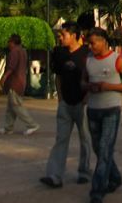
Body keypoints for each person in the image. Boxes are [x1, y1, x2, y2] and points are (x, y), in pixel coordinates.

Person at [84, 28, 122, 203]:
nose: (91, 46)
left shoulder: (117, 60)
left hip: (111, 110)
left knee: (105, 148)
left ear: (104, 41)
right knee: (99, 149)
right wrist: (89, 87)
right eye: (89, 43)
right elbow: (83, 81)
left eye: (94, 43)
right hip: (92, 110)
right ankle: (115, 177)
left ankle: (97, 190)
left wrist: (108, 86)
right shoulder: (88, 60)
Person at [40, 22, 91, 188]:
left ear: (75, 36)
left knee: (86, 139)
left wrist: (87, 98)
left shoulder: (87, 54)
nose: (60, 38)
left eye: (64, 35)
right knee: (60, 139)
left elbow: (93, 77)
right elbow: (58, 76)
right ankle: (54, 175)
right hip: (65, 104)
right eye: (60, 35)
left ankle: (84, 172)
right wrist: (60, 98)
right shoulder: (60, 53)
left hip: (83, 103)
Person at [0, 34, 39, 136]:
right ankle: (8, 127)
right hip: (21, 81)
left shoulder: (14, 52)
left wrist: (4, 78)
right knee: (11, 106)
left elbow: (11, 67)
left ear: (13, 42)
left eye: (9, 42)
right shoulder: (23, 51)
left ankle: (32, 124)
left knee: (17, 106)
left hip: (15, 82)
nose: (8, 44)